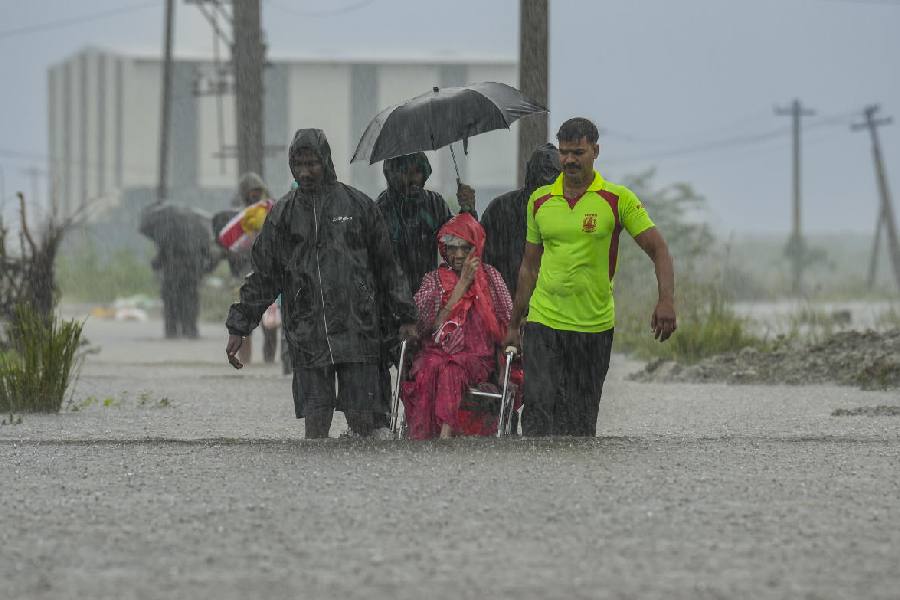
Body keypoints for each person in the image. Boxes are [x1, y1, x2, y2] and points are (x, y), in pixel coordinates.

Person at [225, 128, 417, 438]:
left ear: (325, 161)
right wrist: (239, 326)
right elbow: (264, 276)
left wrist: (406, 316)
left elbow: (387, 267)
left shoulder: (358, 206)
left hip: (358, 331)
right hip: (307, 332)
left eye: (312, 163)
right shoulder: (282, 215)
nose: (305, 171)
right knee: (315, 428)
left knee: (363, 425)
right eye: (298, 165)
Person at [503, 117, 677, 437]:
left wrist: (666, 300)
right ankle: (533, 486)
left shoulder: (617, 198)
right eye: (565, 153)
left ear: (595, 151)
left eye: (578, 152)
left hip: (592, 329)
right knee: (538, 414)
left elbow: (659, 250)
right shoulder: (540, 200)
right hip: (544, 324)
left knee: (579, 425)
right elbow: (529, 266)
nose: (569, 160)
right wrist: (514, 324)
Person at [374, 152, 476, 431]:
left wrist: (468, 212)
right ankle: (384, 425)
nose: (413, 180)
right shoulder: (380, 210)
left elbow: (457, 243)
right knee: (385, 368)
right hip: (386, 307)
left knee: (422, 368)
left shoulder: (433, 204)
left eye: (419, 172)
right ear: (391, 174)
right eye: (406, 173)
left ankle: (419, 425)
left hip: (427, 301)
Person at [401, 213, 513, 440]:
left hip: (477, 356)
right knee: (430, 367)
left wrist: (505, 365)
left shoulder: (491, 278)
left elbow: (508, 322)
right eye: (452, 248)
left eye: (465, 247)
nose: (459, 255)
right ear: (444, 250)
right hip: (438, 350)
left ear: (477, 247)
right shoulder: (434, 280)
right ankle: (422, 435)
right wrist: (461, 286)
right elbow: (426, 327)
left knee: (452, 369)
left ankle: (445, 435)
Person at [481, 143, 561, 297]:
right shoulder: (500, 208)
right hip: (503, 303)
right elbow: (481, 261)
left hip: (545, 307)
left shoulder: (568, 216)